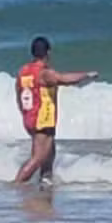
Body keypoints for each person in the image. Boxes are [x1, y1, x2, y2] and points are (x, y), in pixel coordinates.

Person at [14, 36, 98, 186]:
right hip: (42, 119)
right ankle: (17, 184)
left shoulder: (24, 72)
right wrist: (86, 75)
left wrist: (24, 113)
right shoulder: (44, 73)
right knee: (39, 157)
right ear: (48, 53)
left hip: (31, 117)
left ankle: (45, 182)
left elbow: (18, 94)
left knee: (49, 153)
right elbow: (64, 79)